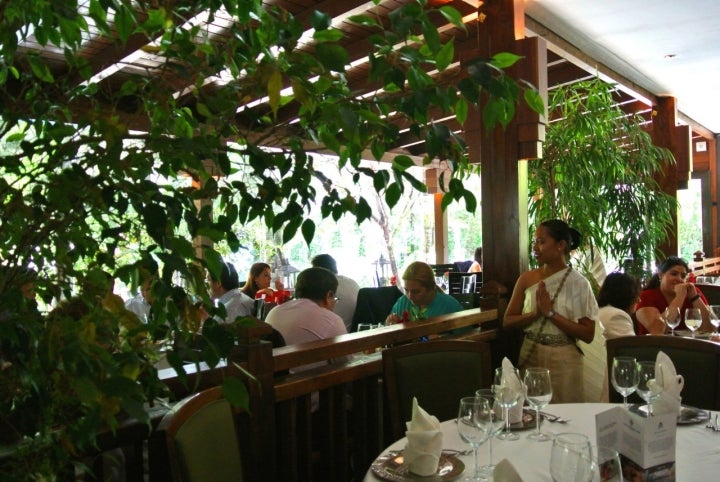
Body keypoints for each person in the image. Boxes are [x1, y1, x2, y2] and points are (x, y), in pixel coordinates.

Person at [504, 219, 598, 403]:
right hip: (531, 354)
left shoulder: (579, 283)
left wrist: (551, 314)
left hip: (565, 360)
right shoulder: (527, 278)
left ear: (561, 245)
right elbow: (507, 321)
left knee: (566, 418)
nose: (535, 247)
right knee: (533, 416)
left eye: (541, 241)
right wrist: (534, 314)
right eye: (534, 242)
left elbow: (588, 334)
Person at [265, 267, 349, 371]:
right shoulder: (332, 320)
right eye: (335, 299)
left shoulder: (275, 311)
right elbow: (345, 362)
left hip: (273, 382)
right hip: (311, 384)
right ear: (329, 295)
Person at [635, 256, 712, 335]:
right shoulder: (646, 296)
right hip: (655, 345)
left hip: (689, 345)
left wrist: (694, 297)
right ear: (661, 275)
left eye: (683, 276)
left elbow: (710, 329)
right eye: (674, 274)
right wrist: (680, 296)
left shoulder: (693, 292)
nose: (679, 279)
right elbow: (657, 329)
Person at [385, 261, 463, 324]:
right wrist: (389, 324)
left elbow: (465, 339)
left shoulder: (449, 306)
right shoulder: (402, 303)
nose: (410, 296)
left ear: (431, 288)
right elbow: (388, 331)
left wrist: (442, 338)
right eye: (406, 290)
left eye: (416, 292)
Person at [310, 253, 360, 332]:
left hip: (338, 335)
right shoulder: (352, 282)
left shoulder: (324, 286)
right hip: (358, 333)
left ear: (317, 271)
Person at [597, 272, 640, 340]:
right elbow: (630, 349)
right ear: (626, 295)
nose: (639, 300)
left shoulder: (601, 311)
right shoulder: (617, 316)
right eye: (636, 295)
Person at [124, 259, 158, 323]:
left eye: (148, 289)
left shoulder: (171, 303)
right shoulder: (131, 305)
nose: (144, 293)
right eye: (142, 290)